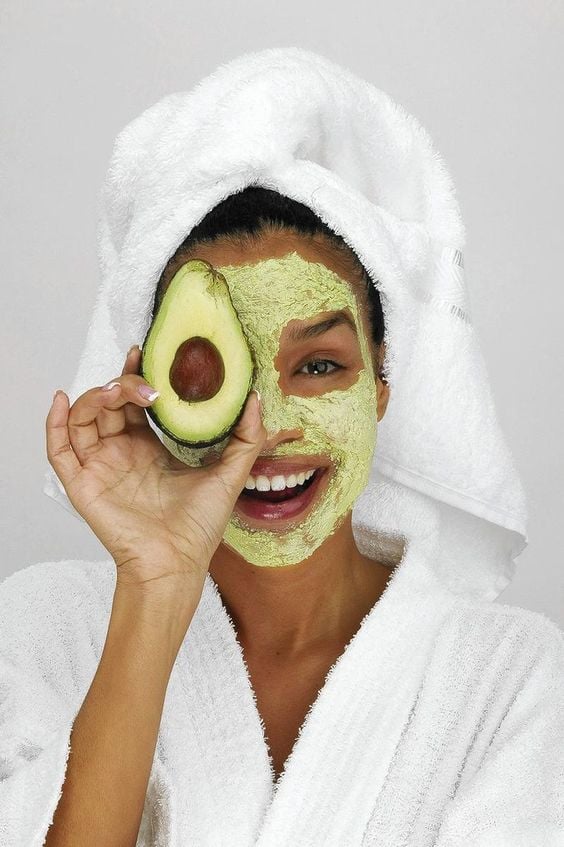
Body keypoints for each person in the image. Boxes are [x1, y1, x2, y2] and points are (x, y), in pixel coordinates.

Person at [2, 48, 563, 847]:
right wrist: (153, 594)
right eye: (213, 372)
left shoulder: (511, 680)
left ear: (381, 387)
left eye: (320, 365)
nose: (266, 425)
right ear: (152, 382)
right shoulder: (34, 633)